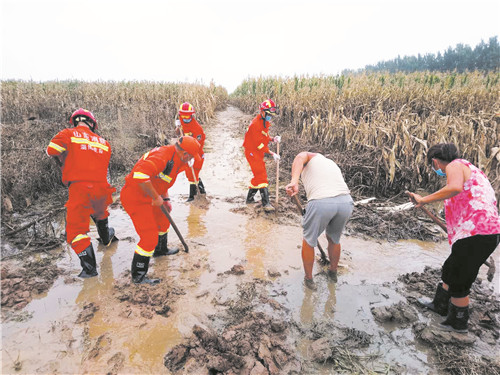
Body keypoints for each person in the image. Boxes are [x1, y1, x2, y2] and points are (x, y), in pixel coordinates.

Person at [408, 143, 500, 333]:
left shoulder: (453, 166)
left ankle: (458, 324)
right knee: (451, 268)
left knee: (460, 279)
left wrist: (423, 199)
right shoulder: (471, 169)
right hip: (482, 232)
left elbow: (455, 188)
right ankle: (439, 305)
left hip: (477, 233)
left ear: (435, 161)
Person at [120, 136, 201, 285]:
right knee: (149, 236)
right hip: (135, 198)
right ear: (185, 154)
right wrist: (156, 197)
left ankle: (160, 250)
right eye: (190, 157)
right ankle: (138, 276)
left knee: (163, 220)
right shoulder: (163, 156)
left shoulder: (176, 159)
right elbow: (140, 175)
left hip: (150, 196)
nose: (190, 160)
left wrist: (166, 199)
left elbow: (161, 180)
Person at [46, 108, 116, 278]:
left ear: (75, 121)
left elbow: (51, 151)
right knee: (100, 214)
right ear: (92, 124)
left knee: (76, 231)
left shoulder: (67, 134)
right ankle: (106, 239)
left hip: (80, 187)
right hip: (102, 187)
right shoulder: (104, 142)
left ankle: (90, 270)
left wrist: (65, 160)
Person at [285, 152, 353, 290]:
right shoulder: (330, 163)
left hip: (321, 202)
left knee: (309, 240)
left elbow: (299, 157)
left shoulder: (309, 157)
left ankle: (309, 279)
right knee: (334, 239)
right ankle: (333, 273)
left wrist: (294, 181)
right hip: (346, 202)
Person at [243, 99, 281, 212]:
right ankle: (266, 204)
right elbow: (259, 144)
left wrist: (272, 139)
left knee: (257, 177)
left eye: (271, 115)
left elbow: (263, 137)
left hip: (257, 151)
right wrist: (272, 153)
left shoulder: (264, 122)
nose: (270, 116)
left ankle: (249, 199)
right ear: (263, 112)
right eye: (268, 114)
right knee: (262, 175)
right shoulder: (255, 124)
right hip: (252, 152)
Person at [175, 102, 206, 202]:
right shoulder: (181, 122)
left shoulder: (197, 128)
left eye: (187, 116)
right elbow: (178, 134)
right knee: (190, 174)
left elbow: (199, 145)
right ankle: (202, 192)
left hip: (196, 154)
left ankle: (192, 197)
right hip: (186, 153)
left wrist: (192, 155)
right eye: (182, 116)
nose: (185, 118)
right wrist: (177, 128)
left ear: (192, 115)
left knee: (193, 174)